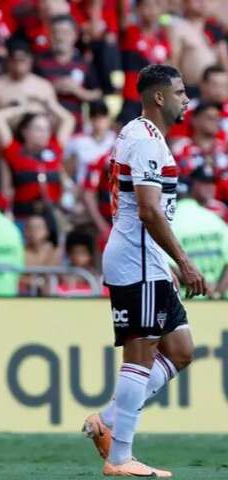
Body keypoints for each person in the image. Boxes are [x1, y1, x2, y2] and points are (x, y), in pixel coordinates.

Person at [83, 64, 207, 477]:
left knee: (181, 350)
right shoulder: (145, 141)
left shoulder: (141, 135)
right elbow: (150, 210)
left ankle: (107, 420)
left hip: (145, 257)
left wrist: (162, 261)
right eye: (180, 92)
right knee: (141, 353)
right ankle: (119, 457)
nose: (186, 100)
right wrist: (183, 262)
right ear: (159, 97)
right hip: (136, 258)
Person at [0, 98, 74, 219]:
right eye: (38, 129)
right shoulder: (14, 151)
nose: (44, 133)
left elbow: (69, 119)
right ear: (24, 131)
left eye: (47, 129)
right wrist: (22, 108)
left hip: (51, 216)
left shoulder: (55, 148)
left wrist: (49, 104)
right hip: (23, 217)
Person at [36, 14, 102, 131]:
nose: (60, 37)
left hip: (78, 130)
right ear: (49, 35)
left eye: (65, 33)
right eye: (56, 33)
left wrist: (77, 90)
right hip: (47, 130)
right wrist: (52, 88)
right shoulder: (39, 62)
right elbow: (30, 92)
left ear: (74, 35)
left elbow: (97, 94)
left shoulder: (84, 64)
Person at [172, 166, 228, 298]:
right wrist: (218, 292)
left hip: (187, 298)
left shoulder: (167, 224)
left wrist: (201, 286)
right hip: (220, 301)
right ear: (192, 188)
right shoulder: (215, 219)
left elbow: (167, 265)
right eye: (204, 183)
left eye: (211, 183)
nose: (210, 188)